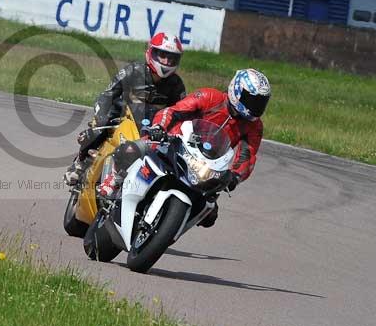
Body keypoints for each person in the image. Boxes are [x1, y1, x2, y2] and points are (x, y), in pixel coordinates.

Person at [97, 68, 272, 228]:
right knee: (131, 149)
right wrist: (159, 128)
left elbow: (247, 157)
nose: (255, 107)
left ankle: (169, 228)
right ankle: (113, 179)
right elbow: (173, 111)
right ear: (236, 90)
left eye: (260, 103)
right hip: (173, 143)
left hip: (205, 166)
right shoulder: (210, 96)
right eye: (251, 100)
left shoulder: (254, 126)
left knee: (209, 214)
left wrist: (235, 176)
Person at [63, 32, 187, 186]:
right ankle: (80, 162)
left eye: (172, 58)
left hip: (151, 129)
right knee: (99, 127)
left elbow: (182, 112)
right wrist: (101, 115)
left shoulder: (176, 84)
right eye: (163, 55)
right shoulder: (133, 70)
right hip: (121, 117)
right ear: (151, 52)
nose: (167, 61)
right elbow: (108, 94)